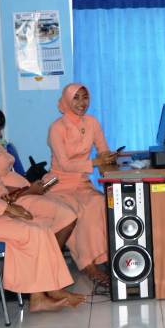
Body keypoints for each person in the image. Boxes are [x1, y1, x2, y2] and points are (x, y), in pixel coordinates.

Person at [0, 85, 83, 311]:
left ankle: (43, 294)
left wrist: (11, 199)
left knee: (39, 225)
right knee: (30, 230)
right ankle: (42, 294)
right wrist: (8, 209)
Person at [0, 102, 78, 251]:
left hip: (23, 193)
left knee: (68, 207)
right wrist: (28, 191)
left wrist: (32, 187)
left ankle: (51, 260)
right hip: (16, 198)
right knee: (67, 216)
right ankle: (51, 263)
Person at [44, 83, 115, 285]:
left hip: (81, 183)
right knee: (76, 211)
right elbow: (65, 164)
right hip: (58, 184)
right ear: (66, 100)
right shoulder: (57, 128)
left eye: (85, 97)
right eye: (76, 98)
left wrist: (108, 156)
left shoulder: (92, 122)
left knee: (99, 203)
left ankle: (106, 257)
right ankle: (88, 265)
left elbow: (103, 148)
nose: (82, 103)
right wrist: (94, 162)